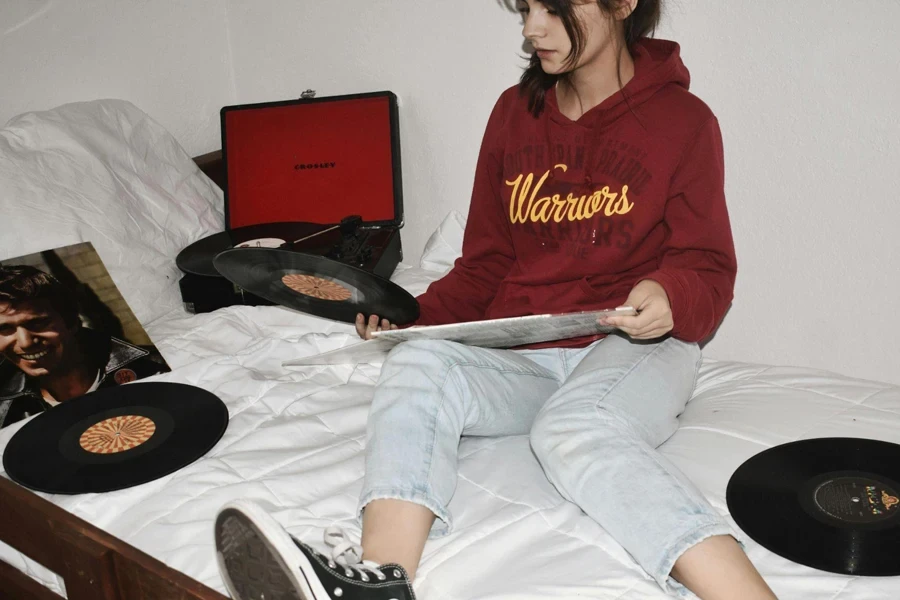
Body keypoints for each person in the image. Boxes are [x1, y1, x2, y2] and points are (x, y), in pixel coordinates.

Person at [214, 1, 778, 598]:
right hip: (526, 350)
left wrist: (670, 292)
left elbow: (708, 267)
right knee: (416, 364)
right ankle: (380, 582)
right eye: (528, 7)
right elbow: (486, 263)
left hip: (633, 345)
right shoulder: (515, 114)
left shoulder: (681, 122)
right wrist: (412, 319)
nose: (534, 29)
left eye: (556, 8)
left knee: (576, 427)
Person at [0, 264, 168, 428]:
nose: (26, 342)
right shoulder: (5, 411)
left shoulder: (156, 367)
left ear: (71, 322)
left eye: (37, 323)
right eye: (4, 328)